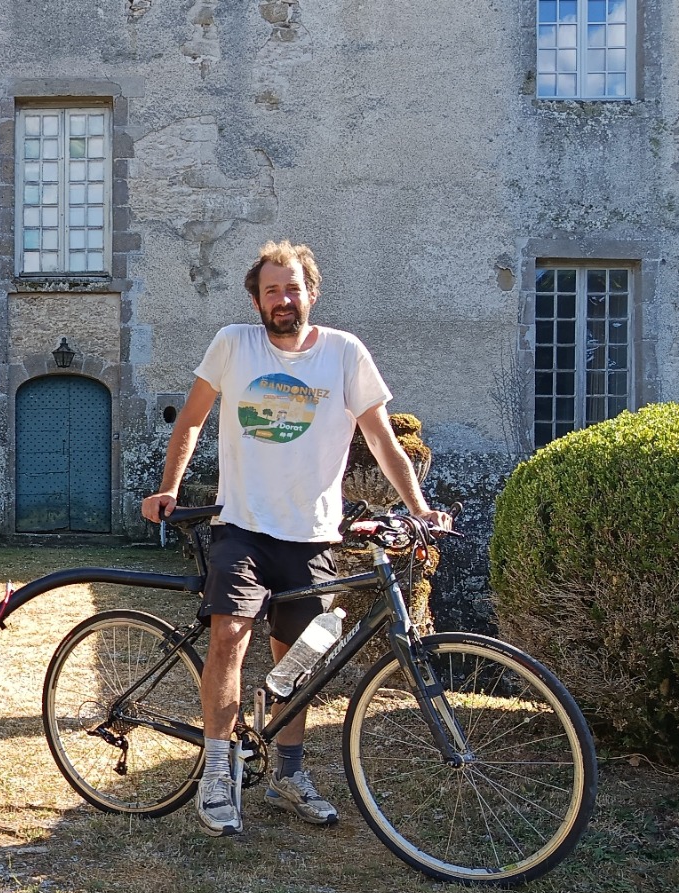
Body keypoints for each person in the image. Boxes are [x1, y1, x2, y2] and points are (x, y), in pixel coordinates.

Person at [141, 241, 451, 837]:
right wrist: (169, 487)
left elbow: (383, 441)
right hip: (242, 526)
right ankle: (214, 774)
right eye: (271, 291)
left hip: (310, 535)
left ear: (313, 291)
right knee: (229, 636)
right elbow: (193, 419)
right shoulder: (234, 344)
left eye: (293, 288)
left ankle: (287, 775)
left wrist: (421, 509)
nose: (284, 300)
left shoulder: (344, 353)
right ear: (257, 299)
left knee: (298, 663)